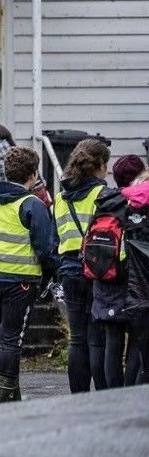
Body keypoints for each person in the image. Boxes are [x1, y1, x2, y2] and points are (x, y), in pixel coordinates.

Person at [0, 147, 60, 402]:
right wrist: (52, 274)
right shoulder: (33, 205)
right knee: (11, 338)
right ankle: (6, 396)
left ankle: (11, 393)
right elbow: (45, 248)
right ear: (32, 175)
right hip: (19, 281)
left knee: (3, 336)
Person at [54, 140, 111, 392]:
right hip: (97, 270)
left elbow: (56, 238)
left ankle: (78, 397)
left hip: (69, 270)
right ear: (98, 165)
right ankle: (102, 395)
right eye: (106, 165)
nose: (107, 171)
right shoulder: (103, 195)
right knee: (97, 338)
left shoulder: (60, 198)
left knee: (77, 339)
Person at [93, 154, 147, 388]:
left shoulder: (106, 202)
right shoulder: (142, 203)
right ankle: (130, 396)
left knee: (111, 344)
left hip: (106, 278)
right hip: (136, 281)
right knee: (138, 342)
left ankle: (109, 398)